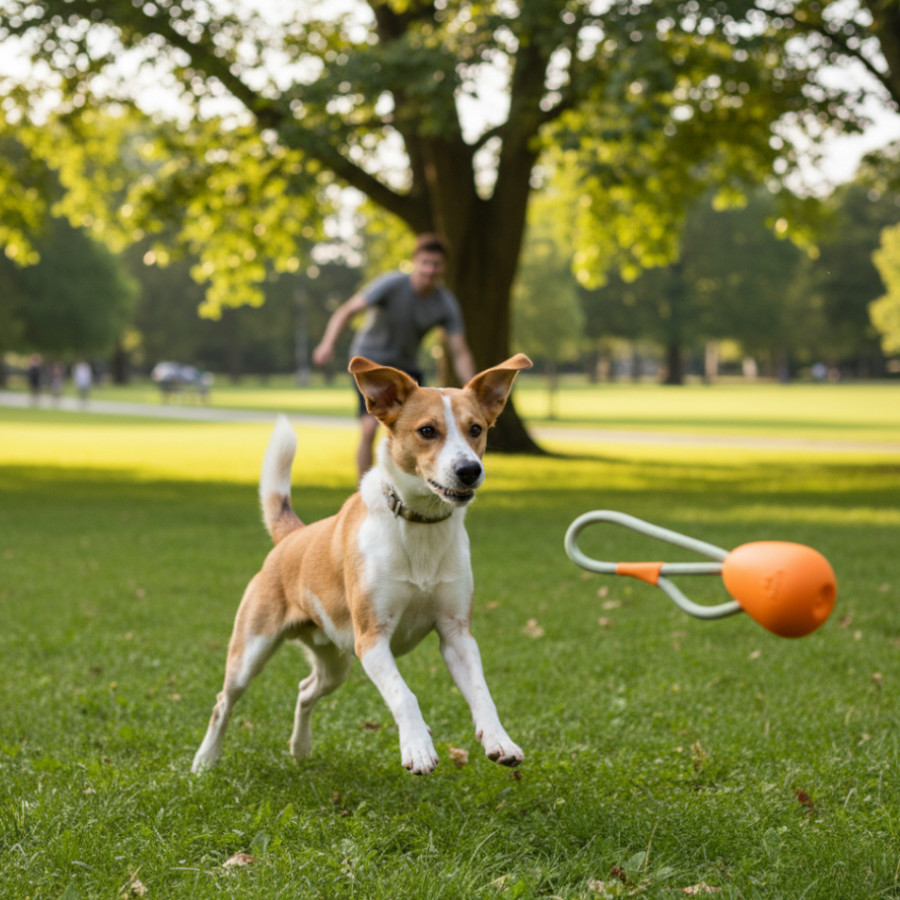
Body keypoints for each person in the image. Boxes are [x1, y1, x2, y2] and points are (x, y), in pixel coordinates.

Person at [312, 233, 476, 478]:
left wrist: (471, 390)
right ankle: (363, 492)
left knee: (422, 428)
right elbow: (347, 310)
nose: (430, 269)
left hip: (406, 369)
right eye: (425, 262)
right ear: (415, 262)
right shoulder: (391, 285)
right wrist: (327, 344)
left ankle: (412, 486)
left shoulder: (445, 302)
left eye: (436, 264)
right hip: (371, 362)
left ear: (444, 268)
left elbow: (460, 351)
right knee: (369, 429)